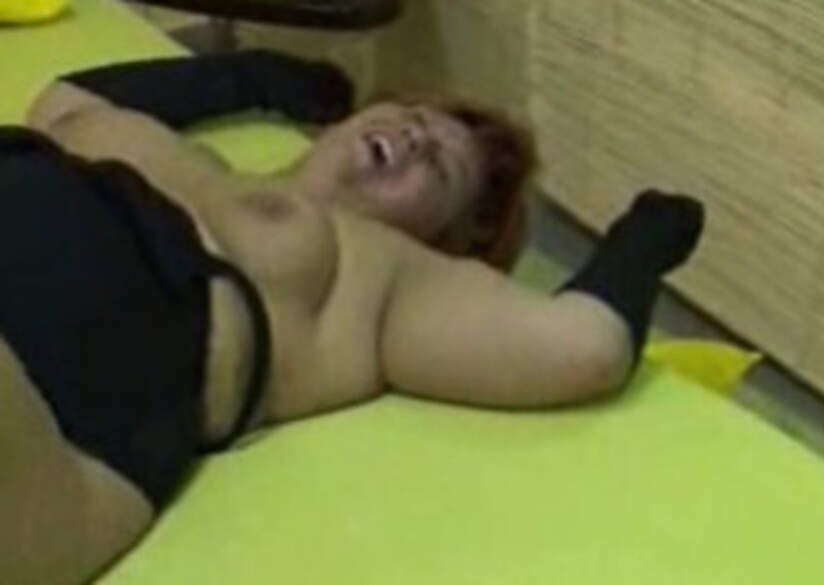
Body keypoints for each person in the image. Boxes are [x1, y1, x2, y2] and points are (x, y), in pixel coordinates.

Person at [0, 50, 703, 585]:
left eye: (438, 169)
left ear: (449, 241)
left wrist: (644, 238)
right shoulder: (186, 160)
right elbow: (63, 99)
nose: (413, 136)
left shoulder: (374, 277)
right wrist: (252, 77)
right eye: (411, 115)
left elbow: (585, 343)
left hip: (60, 445)